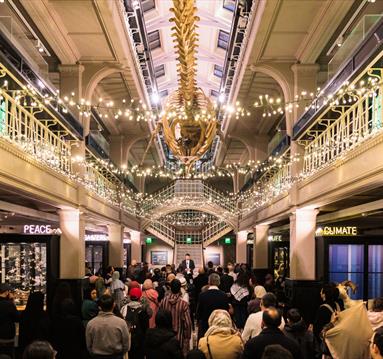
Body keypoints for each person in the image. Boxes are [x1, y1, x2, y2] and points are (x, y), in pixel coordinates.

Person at [86, 294, 130, 359]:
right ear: (113, 305)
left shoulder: (91, 323)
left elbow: (89, 345)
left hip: (97, 356)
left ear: (99, 307)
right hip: (116, 356)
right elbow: (126, 345)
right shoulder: (121, 323)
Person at [160, 279, 192, 357]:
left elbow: (159, 318)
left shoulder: (163, 301)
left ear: (170, 288)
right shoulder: (183, 304)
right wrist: (187, 338)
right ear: (180, 288)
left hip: (165, 338)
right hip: (179, 338)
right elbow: (187, 323)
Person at [197, 273, 230, 339]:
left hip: (206, 327)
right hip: (220, 327)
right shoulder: (224, 295)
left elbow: (199, 313)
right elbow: (226, 312)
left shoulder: (202, 295)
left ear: (209, 282)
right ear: (219, 282)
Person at [121, 287, 149, 359]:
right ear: (140, 297)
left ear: (130, 296)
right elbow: (146, 328)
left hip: (127, 339)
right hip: (139, 341)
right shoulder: (143, 310)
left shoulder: (124, 308)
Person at [0, 283, 19, 357]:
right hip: (7, 338)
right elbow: (17, 318)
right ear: (7, 292)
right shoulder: (9, 305)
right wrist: (12, 301)